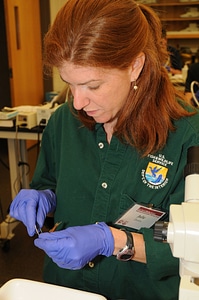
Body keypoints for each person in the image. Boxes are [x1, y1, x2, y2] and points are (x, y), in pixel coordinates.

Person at [9, 1, 199, 299]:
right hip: (66, 290)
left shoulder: (187, 137)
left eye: (93, 86)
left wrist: (112, 241)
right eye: (70, 84)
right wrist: (43, 198)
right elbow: (50, 183)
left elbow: (194, 245)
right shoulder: (63, 123)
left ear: (135, 66)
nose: (78, 102)